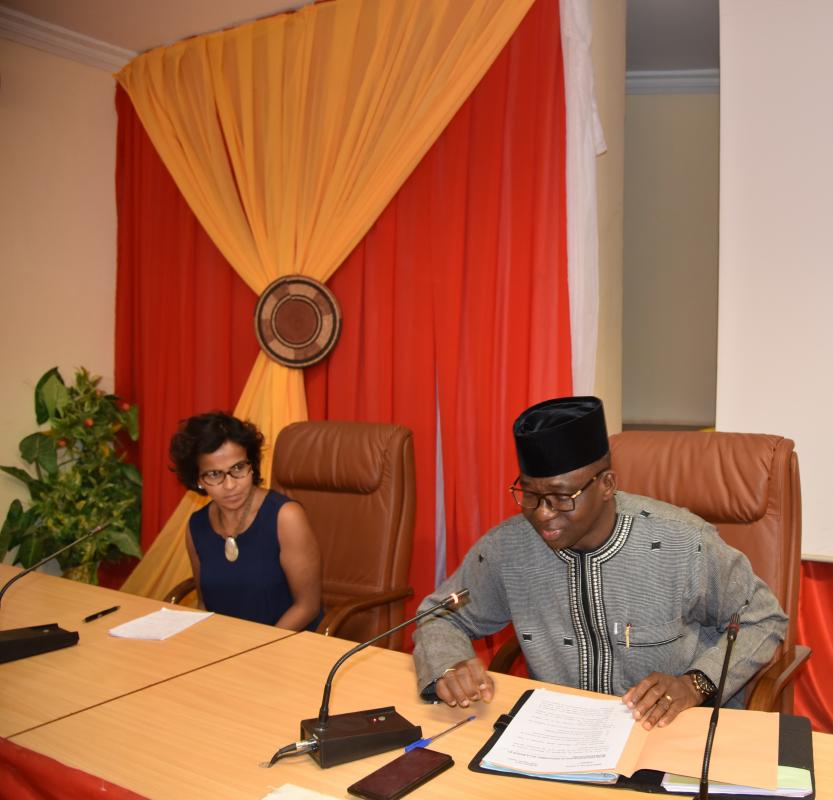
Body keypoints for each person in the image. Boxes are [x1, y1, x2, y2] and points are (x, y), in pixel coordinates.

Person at [413, 396, 787, 730]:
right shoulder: (507, 548)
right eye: (529, 494)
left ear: (607, 484)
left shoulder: (684, 541)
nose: (542, 515)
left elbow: (763, 616)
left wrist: (694, 684)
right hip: (559, 733)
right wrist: (449, 664)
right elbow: (438, 615)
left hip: (671, 731)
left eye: (561, 497)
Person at [170, 411, 322, 630]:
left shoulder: (286, 517)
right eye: (214, 474)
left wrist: (255, 651)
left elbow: (307, 607)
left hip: (285, 645)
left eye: (238, 468)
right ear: (198, 480)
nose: (230, 485)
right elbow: (205, 603)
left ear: (252, 465)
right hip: (226, 647)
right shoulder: (197, 526)